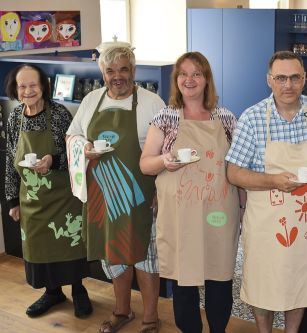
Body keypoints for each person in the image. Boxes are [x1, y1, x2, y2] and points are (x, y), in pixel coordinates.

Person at [226, 50, 307, 332]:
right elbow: (234, 172)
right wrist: (274, 181)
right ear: (269, 80)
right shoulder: (252, 118)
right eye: (281, 78)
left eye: (295, 78)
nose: (288, 85)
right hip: (266, 223)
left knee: (300, 280)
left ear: (304, 80)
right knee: (264, 282)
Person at [140, 51, 244, 333]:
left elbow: (237, 167)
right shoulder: (165, 117)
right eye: (183, 74)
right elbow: (146, 164)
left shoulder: (225, 117)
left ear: (207, 79)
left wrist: (245, 210)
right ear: (176, 80)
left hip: (219, 213)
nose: (190, 79)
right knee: (183, 280)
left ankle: (218, 329)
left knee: (219, 277)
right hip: (180, 216)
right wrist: (165, 161)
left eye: (197, 73)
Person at [66, 45, 165, 333]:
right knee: (114, 255)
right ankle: (122, 311)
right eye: (110, 71)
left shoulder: (151, 102)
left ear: (134, 71)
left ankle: (150, 317)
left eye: (123, 69)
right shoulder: (91, 100)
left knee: (146, 256)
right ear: (103, 74)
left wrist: (160, 190)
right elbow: (72, 134)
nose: (117, 76)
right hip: (103, 197)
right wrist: (83, 147)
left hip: (140, 195)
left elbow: (168, 149)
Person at [4, 64, 92, 318]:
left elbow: (75, 155)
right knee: (39, 247)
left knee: (70, 245)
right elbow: (11, 161)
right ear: (16, 89)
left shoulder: (59, 114)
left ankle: (78, 290)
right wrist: (12, 201)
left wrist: (53, 161)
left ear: (43, 86)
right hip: (31, 199)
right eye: (23, 86)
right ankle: (52, 292)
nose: (28, 90)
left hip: (63, 198)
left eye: (33, 85)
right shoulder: (15, 117)